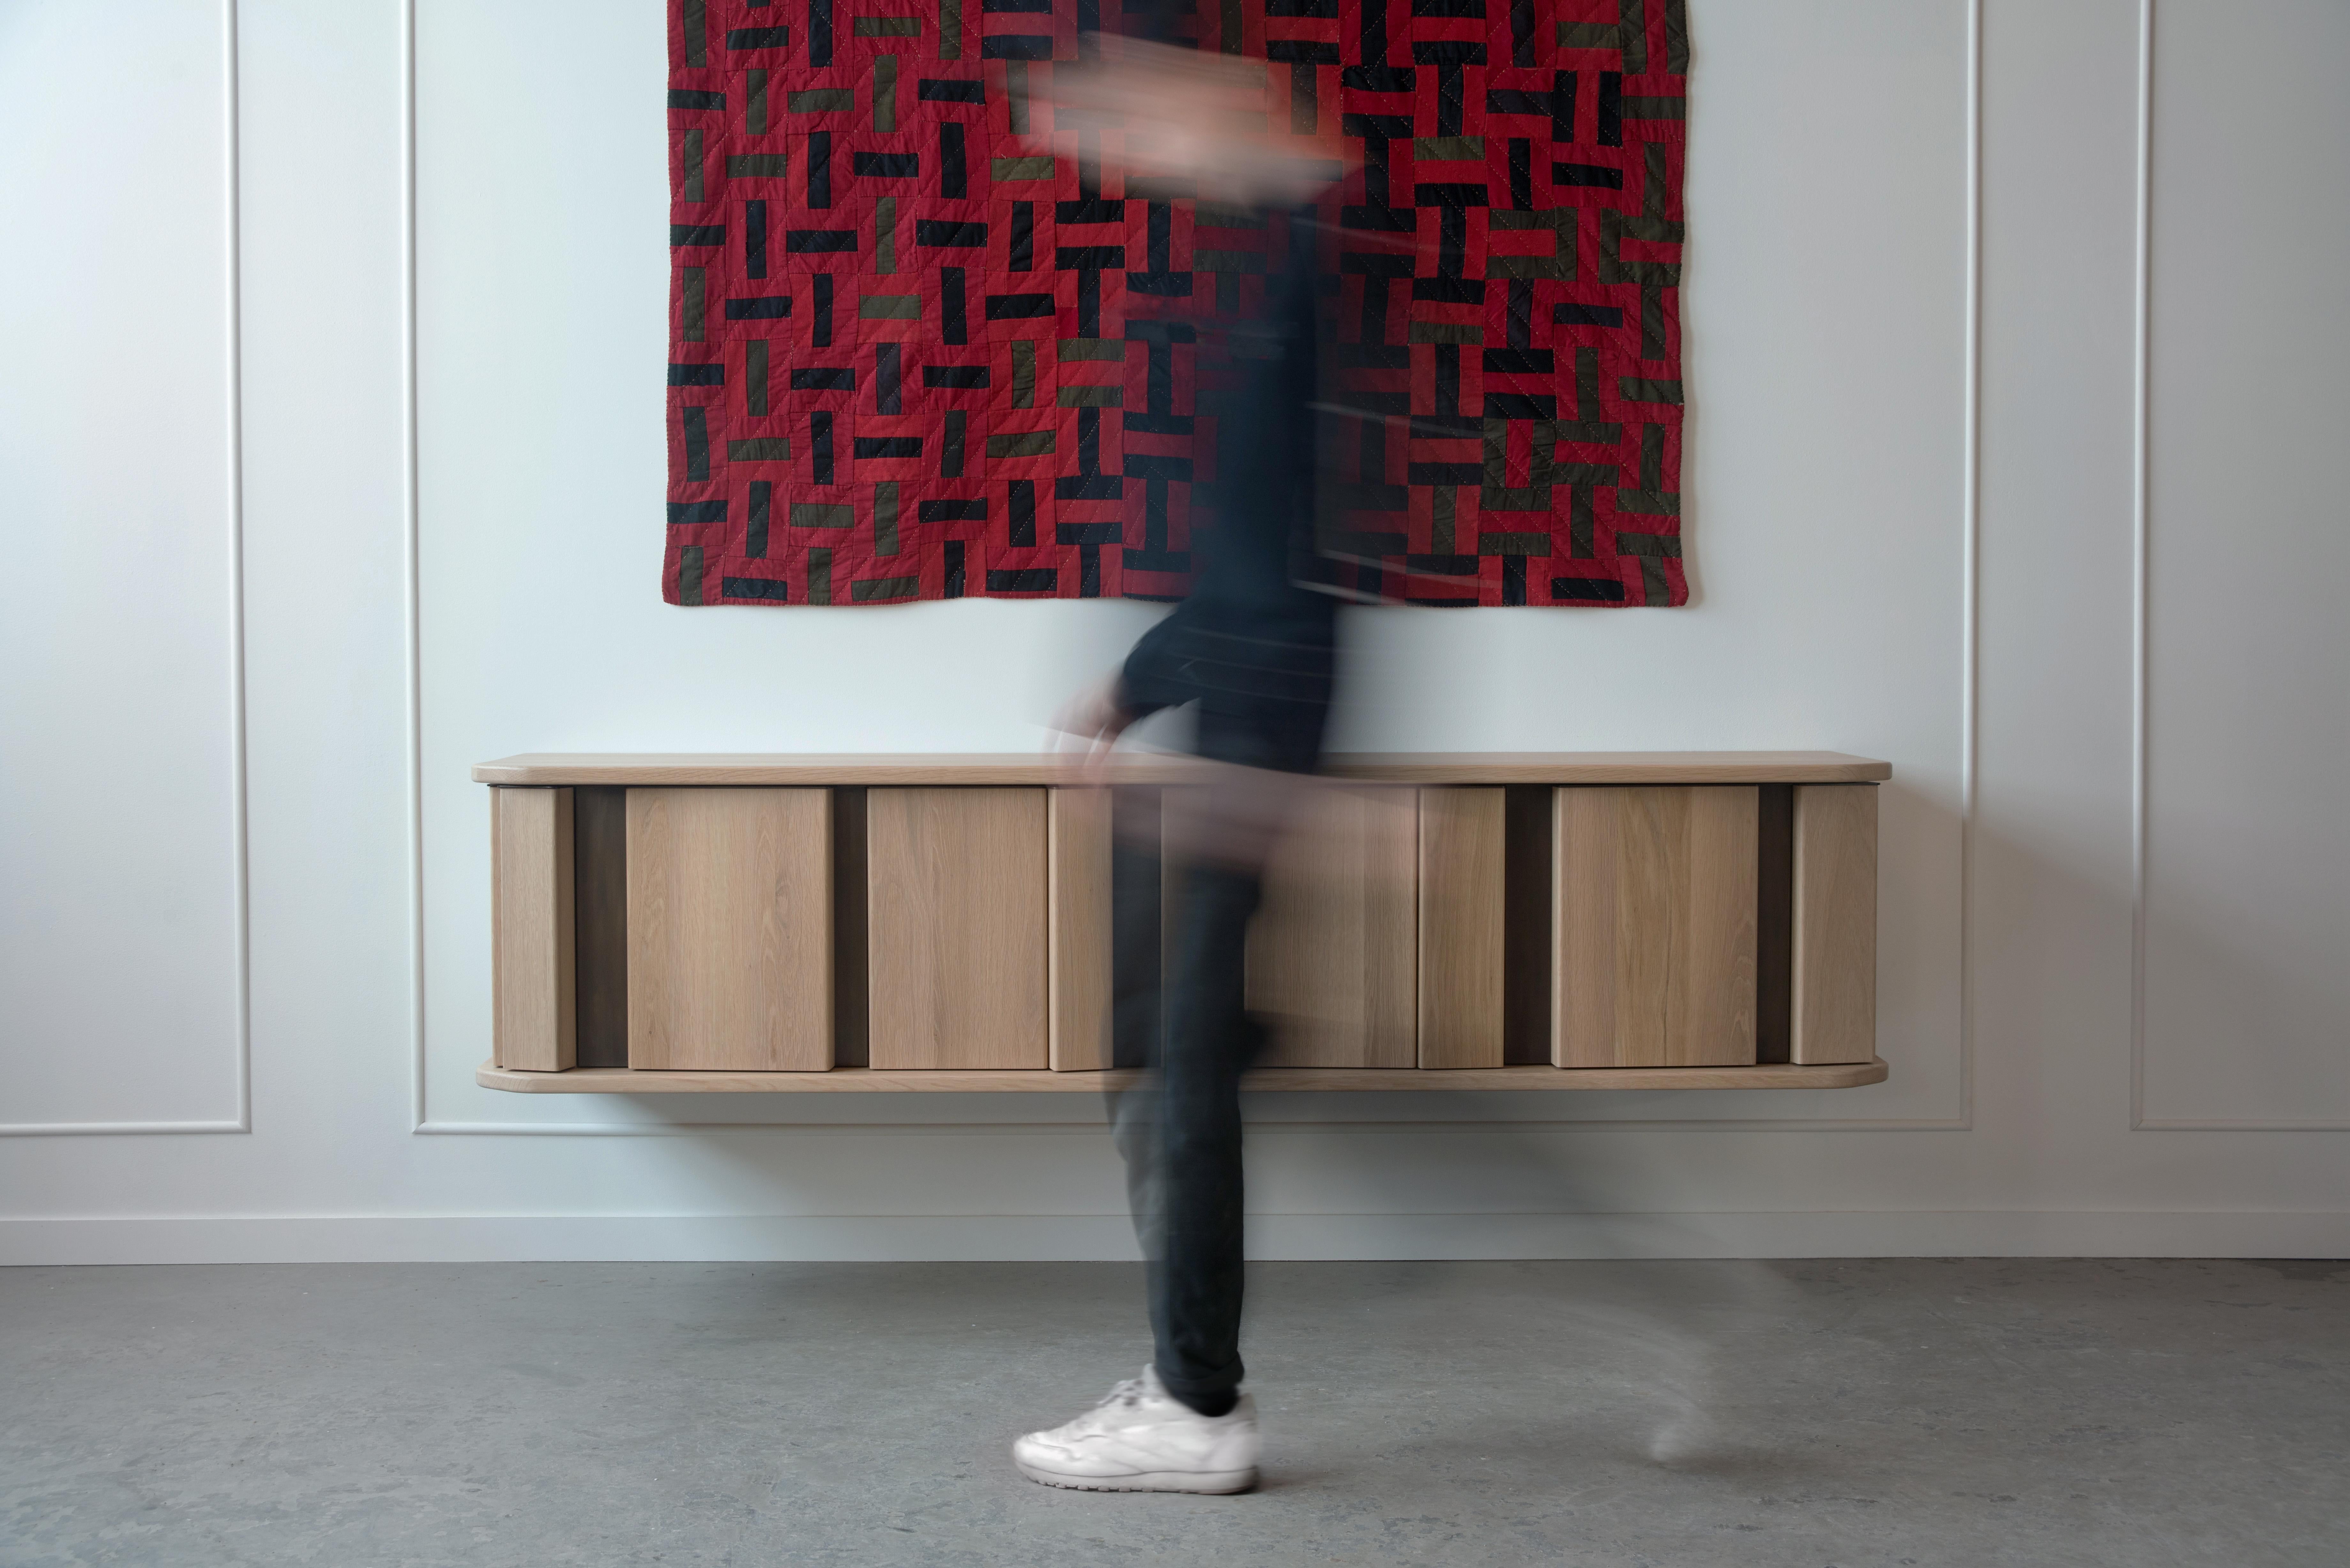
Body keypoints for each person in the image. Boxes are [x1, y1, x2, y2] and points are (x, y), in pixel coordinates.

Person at [1010, 36, 1348, 1495]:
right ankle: (1188, 1384)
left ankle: (1194, 1406)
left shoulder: (1317, 255)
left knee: (1183, 1058)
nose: (1114, 156)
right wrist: (1135, 684)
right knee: (1179, 1045)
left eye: (1117, 114)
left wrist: (1270, 770)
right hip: (1246, 710)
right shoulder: (1281, 251)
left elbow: (1301, 552)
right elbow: (1248, 540)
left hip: (1262, 721)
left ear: (1206, 86)